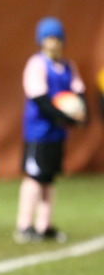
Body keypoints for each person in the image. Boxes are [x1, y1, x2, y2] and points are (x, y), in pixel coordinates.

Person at [14, 17, 86, 244]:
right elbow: (41, 100)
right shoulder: (36, 64)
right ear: (41, 41)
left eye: (56, 38)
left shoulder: (68, 66)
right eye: (48, 38)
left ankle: (44, 226)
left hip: (57, 132)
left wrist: (80, 114)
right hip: (38, 131)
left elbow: (78, 92)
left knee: (49, 178)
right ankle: (24, 226)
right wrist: (67, 117)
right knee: (35, 176)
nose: (52, 43)